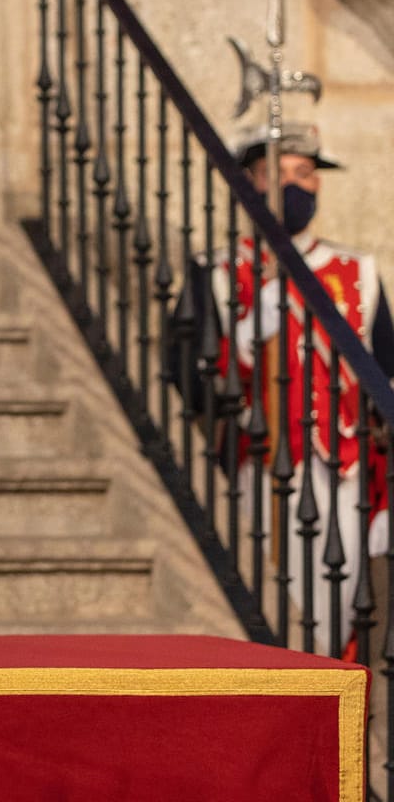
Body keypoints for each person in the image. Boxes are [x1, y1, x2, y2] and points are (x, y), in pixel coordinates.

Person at [173, 122, 394, 651]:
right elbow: (189, 380)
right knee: (268, 607)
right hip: (261, 462)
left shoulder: (355, 270)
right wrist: (249, 336)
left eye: (305, 173)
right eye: (278, 174)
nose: (295, 185)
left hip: (345, 468)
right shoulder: (220, 272)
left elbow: (386, 370)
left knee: (339, 610)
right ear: (250, 182)